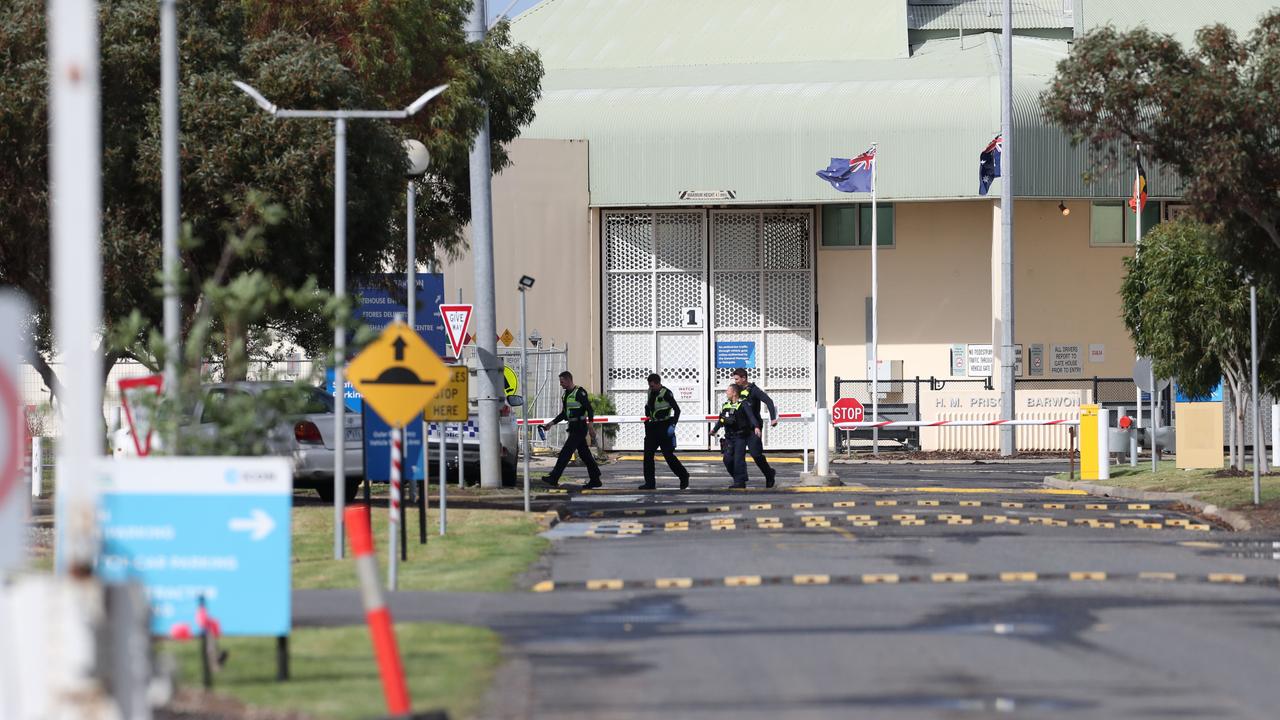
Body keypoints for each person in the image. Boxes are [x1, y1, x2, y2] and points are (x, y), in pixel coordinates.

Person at [541, 371, 602, 489]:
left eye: (562, 381)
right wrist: (552, 423)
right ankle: (595, 479)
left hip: (580, 427)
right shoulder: (565, 395)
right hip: (573, 427)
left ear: (569, 380)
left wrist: (590, 426)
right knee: (585, 455)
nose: (560, 384)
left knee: (565, 452)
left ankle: (554, 478)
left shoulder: (579, 392)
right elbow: (564, 414)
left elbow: (590, 410)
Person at [640, 373, 690, 490]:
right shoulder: (650, 391)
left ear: (658, 383)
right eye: (650, 385)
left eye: (653, 386)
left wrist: (673, 425)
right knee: (648, 456)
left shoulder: (666, 393)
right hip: (652, 426)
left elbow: (677, 410)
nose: (651, 388)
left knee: (668, 455)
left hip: (664, 426)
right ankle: (650, 483)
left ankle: (683, 476)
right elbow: (649, 406)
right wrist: (647, 418)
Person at [710, 382, 761, 489]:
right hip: (729, 437)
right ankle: (739, 478)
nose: (726, 392)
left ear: (734, 393)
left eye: (728, 391)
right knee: (727, 459)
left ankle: (739, 482)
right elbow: (721, 419)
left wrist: (756, 427)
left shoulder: (743, 404)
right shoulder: (725, 405)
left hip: (740, 437)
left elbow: (751, 416)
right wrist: (714, 430)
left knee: (738, 460)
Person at [732, 368, 778, 488]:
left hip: (754, 428)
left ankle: (769, 473)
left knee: (756, 454)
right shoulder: (736, 390)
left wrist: (773, 418)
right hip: (740, 429)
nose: (735, 381)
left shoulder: (754, 390)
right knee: (738, 456)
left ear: (744, 378)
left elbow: (769, 401)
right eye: (734, 379)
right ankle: (740, 481)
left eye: (737, 379)